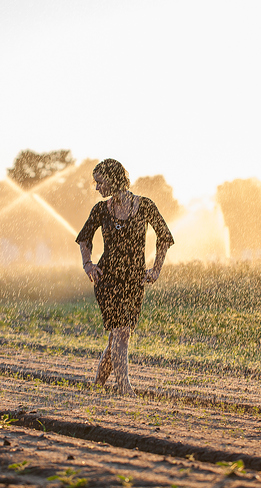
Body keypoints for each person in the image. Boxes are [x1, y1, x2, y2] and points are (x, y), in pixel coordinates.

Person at [76, 159, 174, 396]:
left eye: (100, 182)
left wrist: (156, 269)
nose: (97, 188)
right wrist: (88, 264)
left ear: (112, 179)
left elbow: (164, 237)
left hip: (134, 280)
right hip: (107, 279)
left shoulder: (145, 206)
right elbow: (84, 238)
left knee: (117, 337)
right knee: (121, 332)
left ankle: (97, 386)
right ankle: (124, 388)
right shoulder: (100, 210)